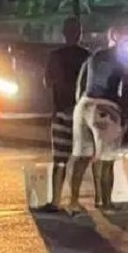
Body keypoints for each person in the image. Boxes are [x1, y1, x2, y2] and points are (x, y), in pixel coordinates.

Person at [68, 28, 128, 211]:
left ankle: (73, 201)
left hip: (83, 105)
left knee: (81, 157)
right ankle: (105, 203)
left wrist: (80, 106)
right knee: (107, 159)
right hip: (106, 107)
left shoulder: (94, 56)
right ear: (116, 38)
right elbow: (126, 90)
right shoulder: (124, 59)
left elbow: (80, 84)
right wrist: (124, 117)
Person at [39, 16, 92, 213]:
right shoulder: (88, 56)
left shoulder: (55, 56)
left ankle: (55, 201)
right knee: (80, 158)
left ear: (63, 33)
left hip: (61, 111)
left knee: (60, 160)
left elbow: (47, 81)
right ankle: (75, 200)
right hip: (82, 113)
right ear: (80, 34)